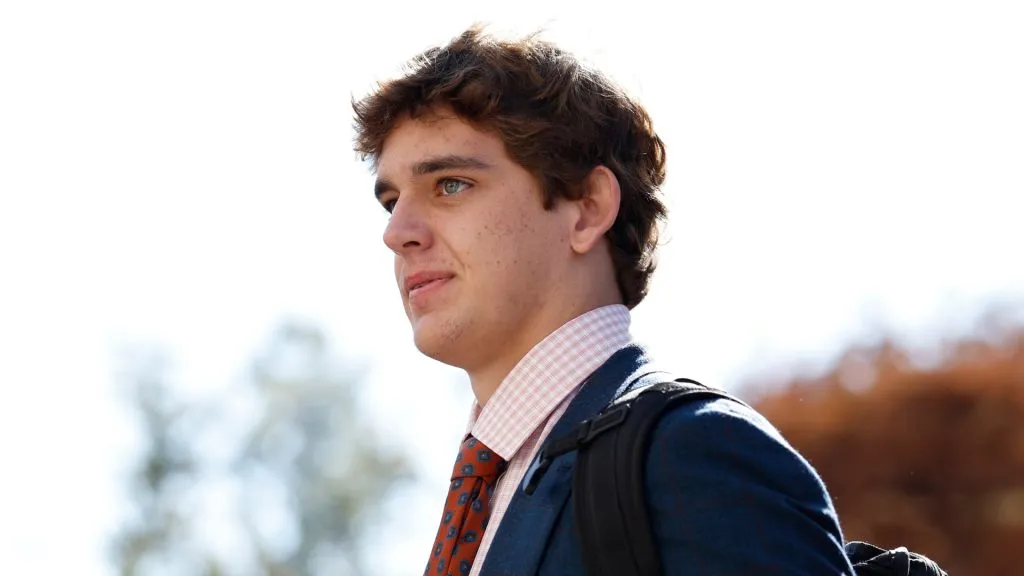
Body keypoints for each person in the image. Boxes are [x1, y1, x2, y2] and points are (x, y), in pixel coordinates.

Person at [352, 26, 855, 576]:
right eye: (392, 201)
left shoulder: (692, 451)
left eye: (450, 184)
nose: (397, 232)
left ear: (588, 208)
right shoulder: (493, 493)